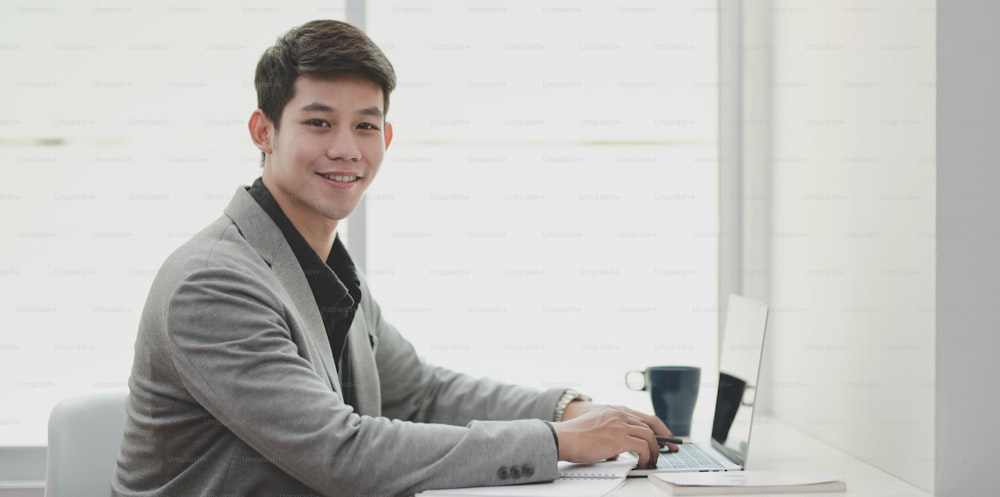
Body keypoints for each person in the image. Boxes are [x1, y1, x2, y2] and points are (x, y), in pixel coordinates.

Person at [112, 19, 675, 497]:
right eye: (318, 122)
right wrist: (560, 444)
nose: (346, 148)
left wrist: (564, 410)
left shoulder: (321, 265)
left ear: (387, 136)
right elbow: (340, 452)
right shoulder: (212, 283)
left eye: (365, 125)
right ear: (264, 130)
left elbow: (421, 394)